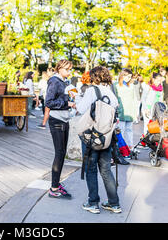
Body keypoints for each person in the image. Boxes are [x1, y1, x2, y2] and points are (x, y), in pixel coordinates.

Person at [71, 65, 121, 214]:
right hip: (106, 137)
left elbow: (80, 108)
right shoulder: (111, 94)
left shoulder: (92, 90)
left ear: (94, 77)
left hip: (91, 136)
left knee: (90, 169)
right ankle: (114, 203)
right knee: (106, 169)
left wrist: (76, 100)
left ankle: (93, 202)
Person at [45, 59, 74, 199]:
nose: (69, 72)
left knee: (62, 154)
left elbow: (60, 100)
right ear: (60, 68)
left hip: (63, 119)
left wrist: (71, 99)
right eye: (67, 69)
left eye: (70, 69)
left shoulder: (63, 81)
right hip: (57, 120)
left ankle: (56, 184)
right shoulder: (54, 81)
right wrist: (67, 102)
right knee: (59, 153)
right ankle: (54, 188)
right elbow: (48, 102)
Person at [113, 68, 137, 158]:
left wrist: (135, 113)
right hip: (121, 112)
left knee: (129, 130)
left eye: (130, 77)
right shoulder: (115, 85)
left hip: (130, 111)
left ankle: (129, 147)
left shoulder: (131, 86)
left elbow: (133, 99)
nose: (128, 78)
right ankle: (121, 149)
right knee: (120, 130)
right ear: (122, 75)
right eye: (127, 76)